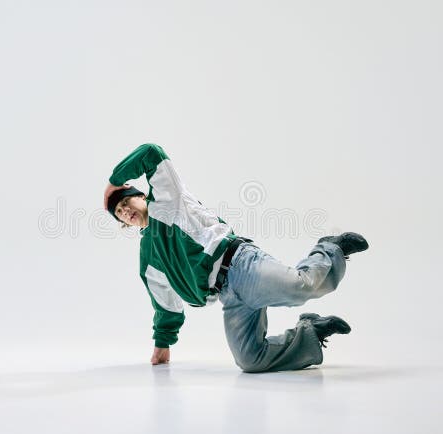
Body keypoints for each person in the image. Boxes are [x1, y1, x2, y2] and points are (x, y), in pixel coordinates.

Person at [102, 143, 369, 373]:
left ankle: (331, 248)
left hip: (241, 265)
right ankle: (312, 332)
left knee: (304, 285)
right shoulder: (148, 256)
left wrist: (113, 182)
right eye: (119, 214)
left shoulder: (167, 199)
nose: (124, 211)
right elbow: (164, 301)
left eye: (125, 203)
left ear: (139, 195)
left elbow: (150, 152)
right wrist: (163, 343)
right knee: (250, 360)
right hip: (227, 295)